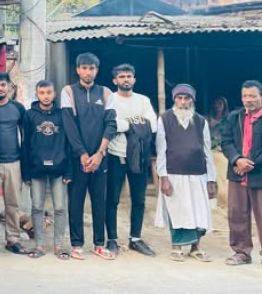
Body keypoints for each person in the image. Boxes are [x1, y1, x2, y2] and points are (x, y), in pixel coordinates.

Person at [61, 53, 117, 261]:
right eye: (84, 68)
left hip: (100, 157)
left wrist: (99, 153)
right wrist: (83, 154)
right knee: (75, 203)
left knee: (99, 202)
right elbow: (69, 126)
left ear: (97, 70)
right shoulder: (68, 91)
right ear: (77, 70)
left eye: (92, 68)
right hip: (78, 159)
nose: (88, 72)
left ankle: (99, 244)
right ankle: (76, 244)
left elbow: (111, 124)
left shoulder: (106, 92)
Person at [155, 84, 216, 263]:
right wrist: (163, 177)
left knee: (198, 212)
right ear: (174, 100)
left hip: (198, 175)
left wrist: (211, 179)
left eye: (187, 98)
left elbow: (207, 151)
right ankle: (177, 248)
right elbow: (161, 150)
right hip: (173, 174)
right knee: (177, 211)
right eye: (179, 98)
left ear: (192, 100)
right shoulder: (164, 119)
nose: (183, 102)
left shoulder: (201, 121)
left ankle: (196, 248)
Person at [105, 64, 157, 257]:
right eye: (121, 76)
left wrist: (126, 124)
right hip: (115, 154)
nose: (125, 79)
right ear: (115, 81)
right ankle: (112, 239)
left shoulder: (143, 100)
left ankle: (135, 238)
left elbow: (153, 125)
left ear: (134, 79)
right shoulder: (110, 99)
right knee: (112, 199)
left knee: (139, 199)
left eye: (129, 76)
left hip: (139, 155)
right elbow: (111, 124)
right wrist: (135, 123)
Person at [21, 80, 71, 260]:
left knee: (60, 207)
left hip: (59, 167)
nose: (46, 96)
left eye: (49, 92)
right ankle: (40, 245)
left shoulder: (62, 114)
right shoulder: (29, 115)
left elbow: (69, 143)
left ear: (54, 94)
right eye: (42, 93)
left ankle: (59, 245)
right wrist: (26, 173)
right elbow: (25, 144)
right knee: (37, 207)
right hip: (36, 168)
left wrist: (69, 171)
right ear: (37, 94)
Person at [222, 80, 262, 266]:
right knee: (237, 214)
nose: (248, 100)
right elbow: (226, 141)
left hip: (259, 173)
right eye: (245, 96)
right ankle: (242, 252)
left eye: (252, 96)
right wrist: (237, 159)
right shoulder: (234, 117)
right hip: (237, 173)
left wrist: (249, 163)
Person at [0, 71, 28, 255]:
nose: (0, 88)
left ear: (9, 87)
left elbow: (25, 134)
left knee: (13, 204)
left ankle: (13, 240)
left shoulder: (17, 108)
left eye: (3, 85)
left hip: (14, 162)